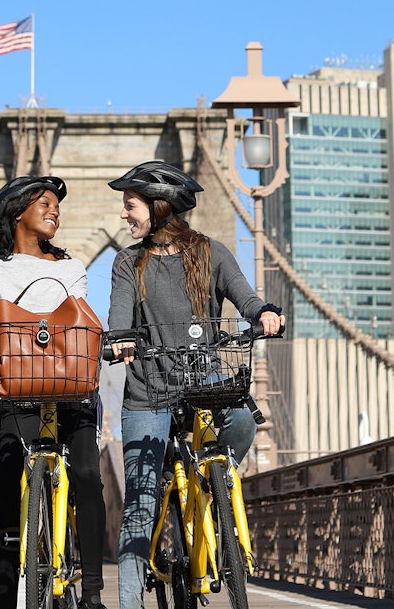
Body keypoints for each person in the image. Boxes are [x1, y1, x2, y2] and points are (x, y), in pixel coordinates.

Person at [106, 161, 285, 609]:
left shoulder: (210, 252)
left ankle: (213, 486)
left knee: (242, 420)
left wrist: (263, 312)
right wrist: (120, 342)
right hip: (148, 388)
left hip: (202, 379)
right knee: (140, 506)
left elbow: (244, 297)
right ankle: (130, 603)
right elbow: (120, 318)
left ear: (158, 207)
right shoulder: (128, 262)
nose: (124, 216)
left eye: (130, 207)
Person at [0, 176, 108, 609]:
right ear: (17, 212)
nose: (54, 211)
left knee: (86, 472)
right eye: (44, 203)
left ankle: (92, 592)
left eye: (57, 206)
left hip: (73, 386)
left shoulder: (72, 268)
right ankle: (6, 600)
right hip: (20, 390)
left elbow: (77, 315)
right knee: (9, 486)